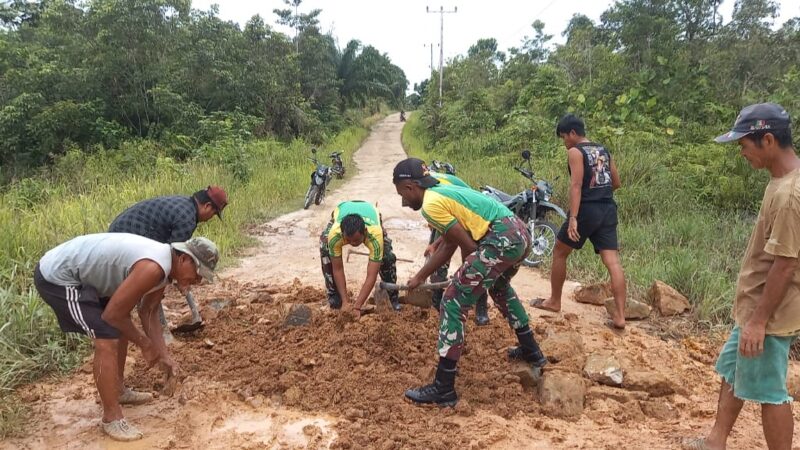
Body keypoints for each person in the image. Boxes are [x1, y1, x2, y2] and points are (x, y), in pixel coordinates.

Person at [683, 103, 800, 450]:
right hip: (755, 308)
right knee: (732, 369)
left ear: (767, 140)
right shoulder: (781, 182)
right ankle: (714, 441)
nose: (741, 152)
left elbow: (786, 264)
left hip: (770, 313)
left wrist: (759, 322)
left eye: (743, 144)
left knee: (769, 391)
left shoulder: (790, 195)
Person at [33, 233, 219, 441]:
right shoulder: (153, 267)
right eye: (198, 272)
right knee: (107, 338)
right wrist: (144, 343)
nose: (198, 280)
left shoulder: (166, 271)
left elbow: (148, 311)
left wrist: (164, 355)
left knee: (120, 324)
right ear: (184, 258)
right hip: (58, 276)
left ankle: (118, 390)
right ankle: (111, 418)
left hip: (84, 277)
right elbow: (112, 315)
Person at [393, 158, 547, 406]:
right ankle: (532, 352)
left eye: (402, 193)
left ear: (411, 187)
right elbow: (452, 237)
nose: (402, 200)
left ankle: (443, 388)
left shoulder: (430, 204)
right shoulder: (441, 184)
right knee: (500, 288)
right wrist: (431, 266)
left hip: (499, 238)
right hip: (518, 232)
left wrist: (426, 277)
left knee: (453, 300)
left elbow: (462, 244)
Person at [531, 114, 627, 330]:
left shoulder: (576, 152)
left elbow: (576, 185)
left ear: (573, 133)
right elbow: (617, 182)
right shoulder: (604, 150)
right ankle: (620, 316)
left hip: (586, 210)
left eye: (564, 137)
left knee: (559, 251)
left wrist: (573, 217)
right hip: (608, 208)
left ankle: (554, 301)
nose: (564, 143)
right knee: (612, 261)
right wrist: (601, 195)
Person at [109, 186, 228, 329]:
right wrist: (182, 282)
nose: (210, 218)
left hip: (124, 232)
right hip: (125, 236)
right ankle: (160, 327)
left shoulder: (186, 206)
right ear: (207, 206)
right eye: (214, 214)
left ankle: (156, 322)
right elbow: (173, 261)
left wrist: (182, 281)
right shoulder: (186, 220)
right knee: (159, 273)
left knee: (160, 272)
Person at [427, 163, 490, 325]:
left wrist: (438, 243)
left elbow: (455, 231)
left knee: (472, 263)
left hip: (472, 218)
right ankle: (436, 304)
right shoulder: (426, 187)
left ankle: (480, 308)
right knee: (436, 256)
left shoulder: (434, 190)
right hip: (454, 217)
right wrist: (435, 243)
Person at [319, 200, 399, 315]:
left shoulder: (374, 236)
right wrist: (345, 302)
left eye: (356, 240)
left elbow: (372, 275)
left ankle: (392, 297)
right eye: (348, 240)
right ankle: (334, 296)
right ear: (342, 235)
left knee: (387, 256)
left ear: (364, 232)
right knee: (325, 247)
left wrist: (357, 306)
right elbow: (338, 269)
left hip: (370, 211)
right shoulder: (335, 236)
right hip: (342, 209)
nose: (352, 243)